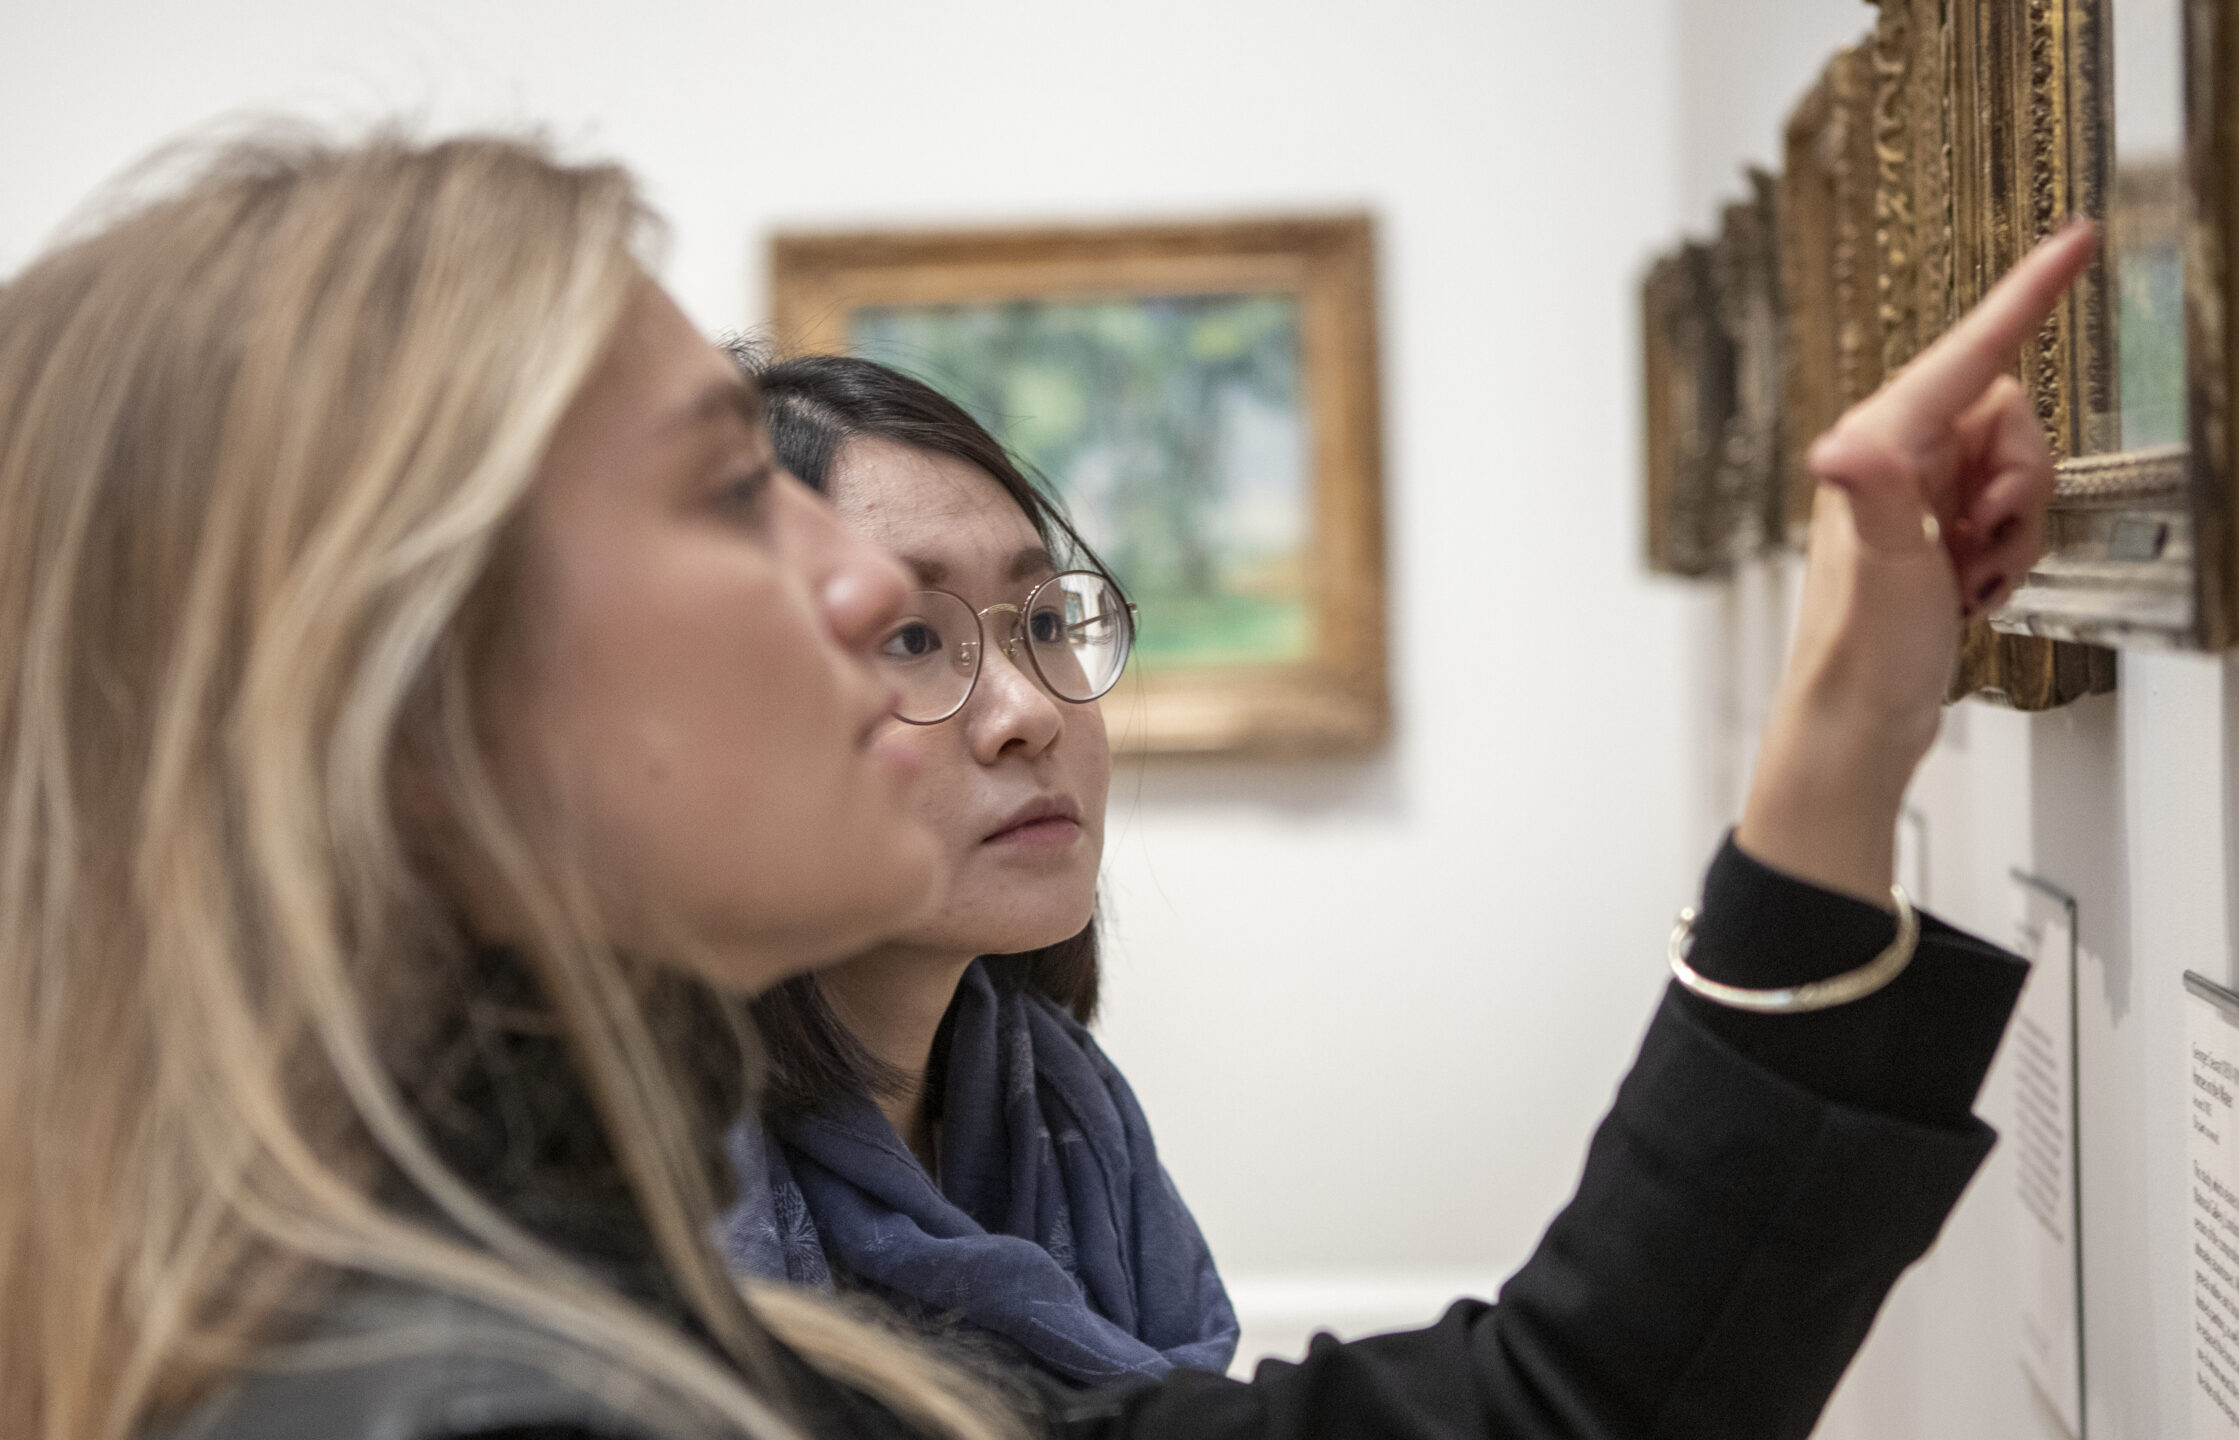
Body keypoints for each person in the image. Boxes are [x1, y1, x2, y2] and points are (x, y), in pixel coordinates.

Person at [0, 127, 2093, 1440]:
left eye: (1025, 618)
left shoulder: (616, 1277)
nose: (868, 613)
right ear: (405, 710)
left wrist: (1841, 735)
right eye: (728, 500)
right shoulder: (515, 1389)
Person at [722, 356, 1235, 1389]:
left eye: (1046, 624)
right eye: (911, 636)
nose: (1031, 713)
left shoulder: (1064, 1110)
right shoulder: (635, 1179)